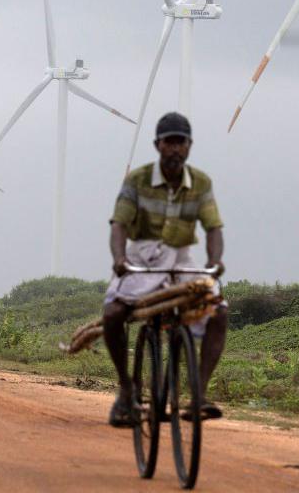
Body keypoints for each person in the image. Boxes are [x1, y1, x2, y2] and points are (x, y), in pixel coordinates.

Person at [103, 112, 227, 427]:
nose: (175, 148)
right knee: (113, 313)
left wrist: (214, 260)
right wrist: (119, 258)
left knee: (219, 311)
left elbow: (213, 227)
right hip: (142, 259)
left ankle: (199, 394)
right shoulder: (137, 180)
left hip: (182, 260)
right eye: (169, 142)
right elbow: (119, 224)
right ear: (157, 145)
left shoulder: (201, 183)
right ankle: (127, 386)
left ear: (189, 146)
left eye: (180, 142)